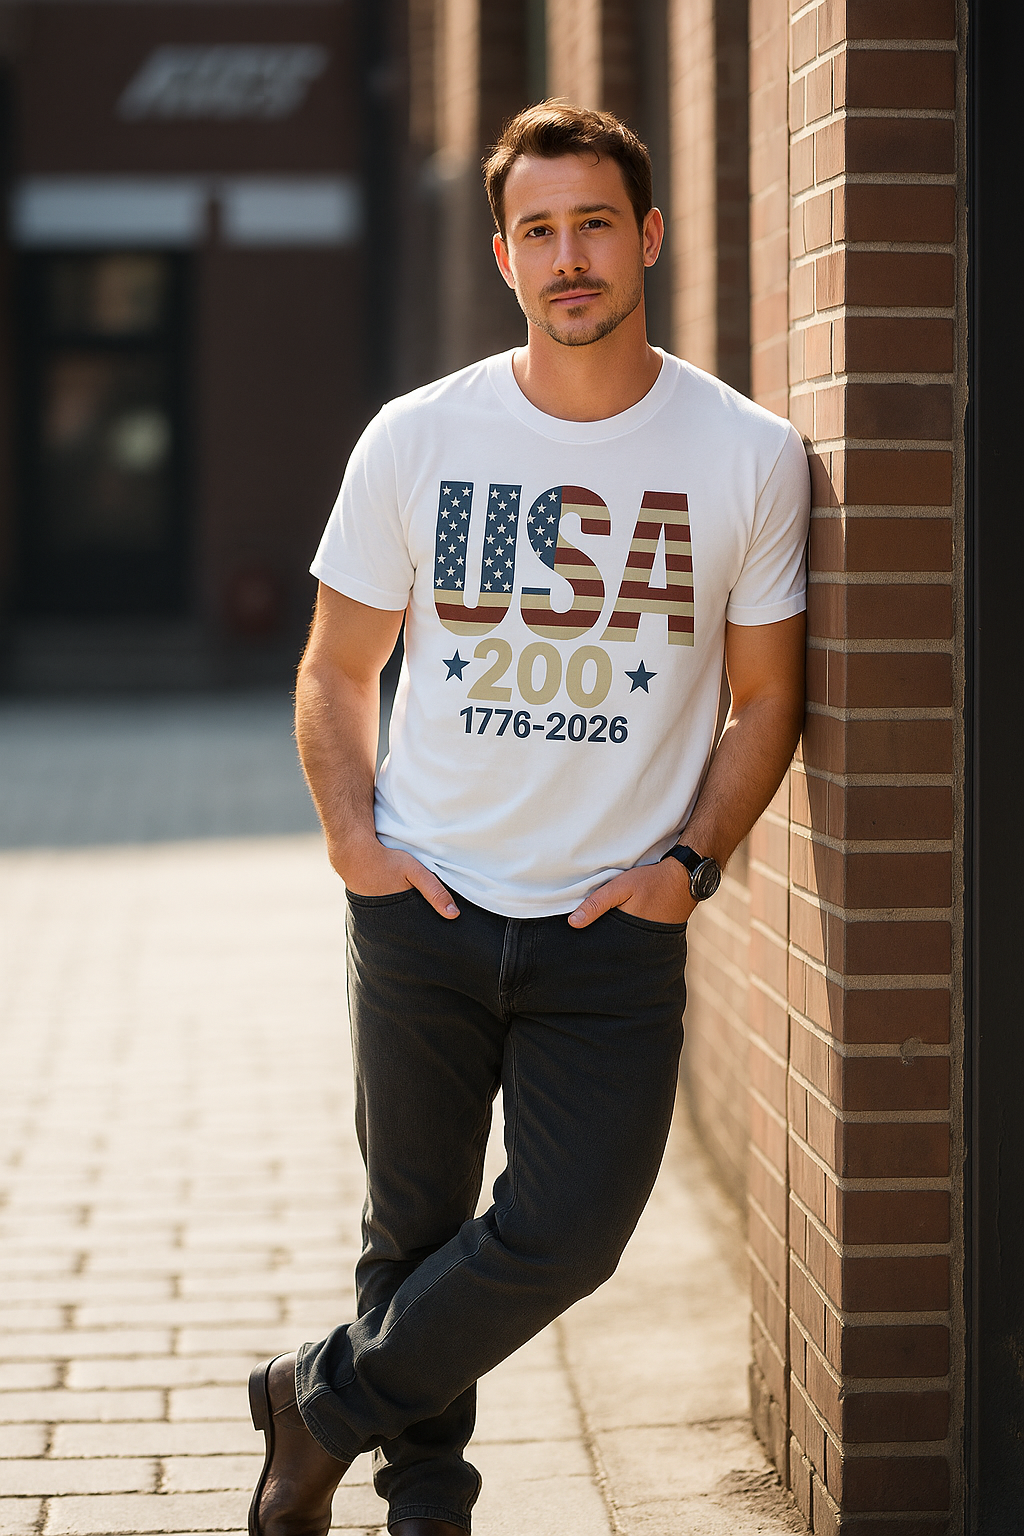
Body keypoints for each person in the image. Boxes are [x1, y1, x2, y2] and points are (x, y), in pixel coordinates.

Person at [247, 99, 810, 1536]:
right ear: (505, 255)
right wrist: (356, 848)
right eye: (542, 231)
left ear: (652, 239)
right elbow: (335, 667)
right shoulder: (419, 438)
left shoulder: (744, 455)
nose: (572, 259)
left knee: (567, 1233)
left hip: (611, 926)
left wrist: (692, 862)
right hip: (426, 900)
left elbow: (765, 698)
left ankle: (314, 1402)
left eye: (597, 226)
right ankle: (425, 1502)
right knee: (415, 1229)